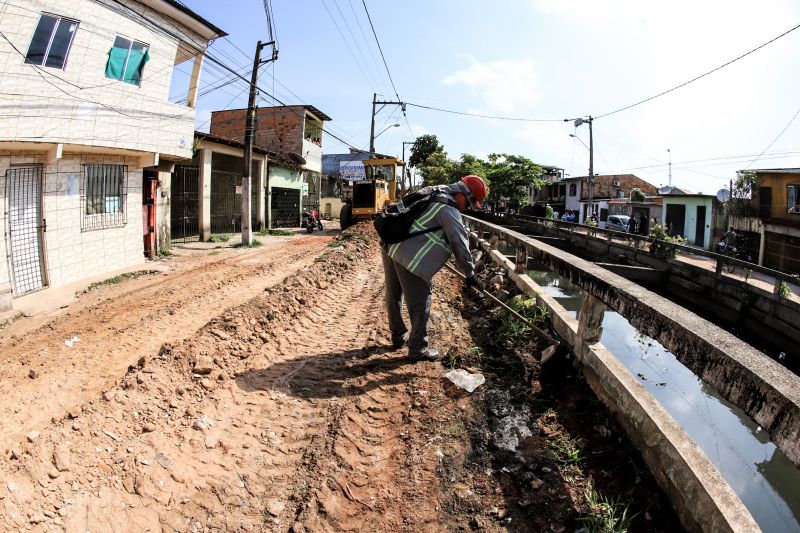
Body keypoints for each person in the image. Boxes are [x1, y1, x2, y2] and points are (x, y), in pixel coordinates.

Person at [382, 175, 488, 361]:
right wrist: (470, 274)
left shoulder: (434, 190)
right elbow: (459, 243)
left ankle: (398, 336)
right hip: (408, 256)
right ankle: (418, 349)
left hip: (390, 245)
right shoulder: (448, 210)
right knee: (421, 302)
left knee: (394, 295)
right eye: (469, 203)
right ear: (463, 193)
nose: (466, 208)